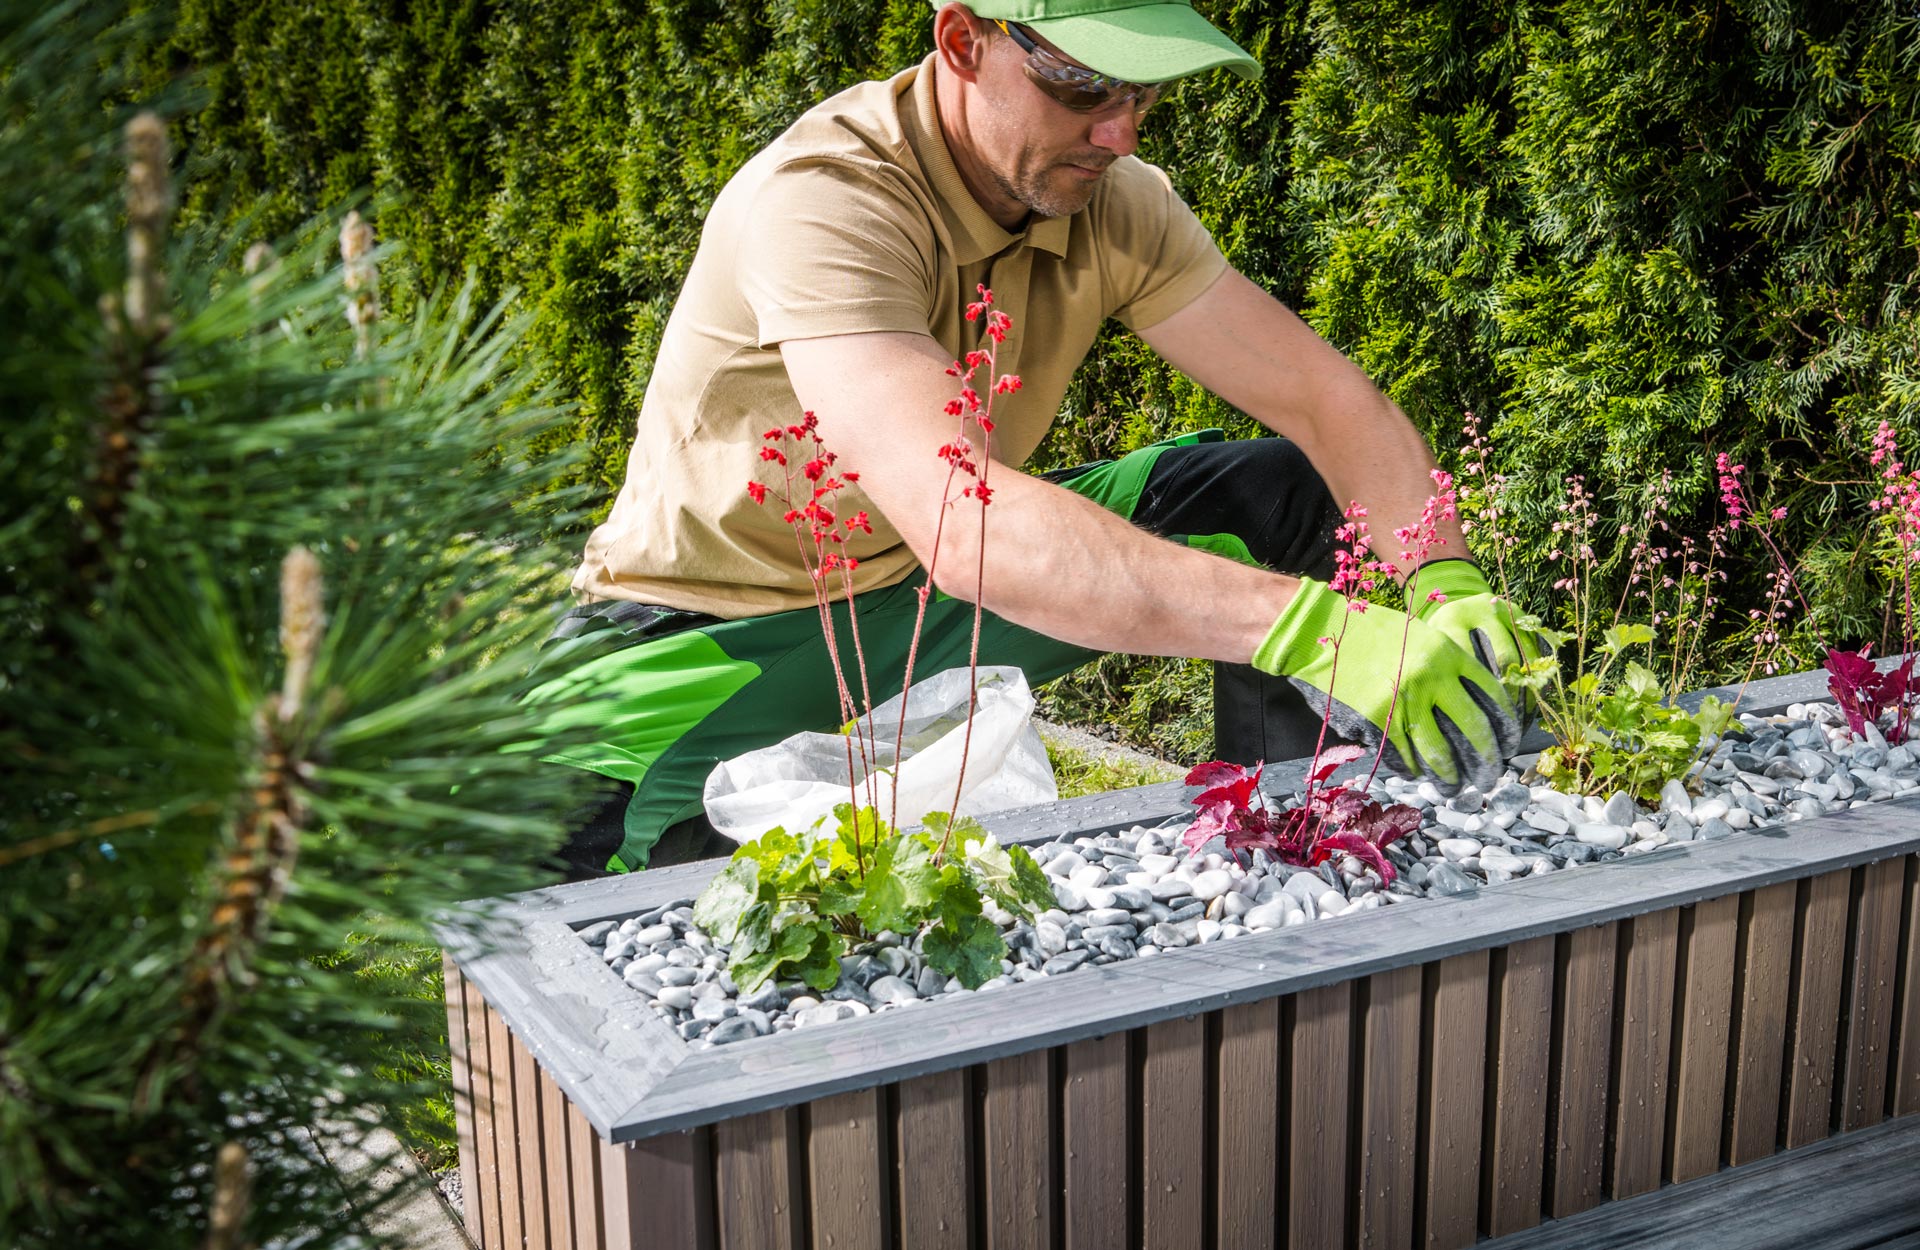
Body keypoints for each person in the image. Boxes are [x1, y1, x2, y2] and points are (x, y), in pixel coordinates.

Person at [528, 0, 1541, 877]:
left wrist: (1446, 583)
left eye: (1145, 95)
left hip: (928, 595)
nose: (1121, 133)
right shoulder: (828, 200)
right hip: (712, 633)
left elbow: (1333, 408)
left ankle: (1300, 848)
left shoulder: (1115, 204)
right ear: (963, 42)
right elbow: (968, 525)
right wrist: (1322, 631)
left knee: (1283, 494)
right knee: (578, 931)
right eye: (1086, 85)